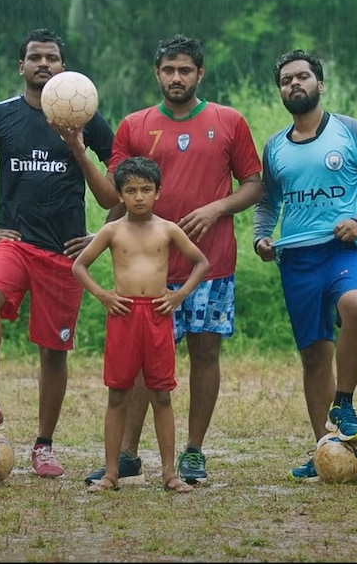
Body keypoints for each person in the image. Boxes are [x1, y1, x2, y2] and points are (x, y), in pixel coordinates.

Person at [76, 34, 263, 486]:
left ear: (200, 73)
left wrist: (218, 208)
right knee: (139, 364)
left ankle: (193, 452)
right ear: (156, 73)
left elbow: (254, 184)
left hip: (209, 263)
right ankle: (126, 455)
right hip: (148, 273)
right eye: (168, 70)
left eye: (185, 70)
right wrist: (78, 151)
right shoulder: (135, 125)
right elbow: (112, 194)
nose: (176, 77)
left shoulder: (229, 121)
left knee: (204, 351)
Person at [0, 28, 117, 478]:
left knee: (53, 353)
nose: (44, 64)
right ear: (21, 66)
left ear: (65, 66)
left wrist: (100, 234)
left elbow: (118, 191)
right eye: (35, 57)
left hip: (64, 250)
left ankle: (44, 445)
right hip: (14, 244)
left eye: (53, 57)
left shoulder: (87, 114)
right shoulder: (0, 116)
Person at [252, 49, 357, 481]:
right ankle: (325, 448)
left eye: (302, 77)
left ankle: (346, 401)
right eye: (286, 80)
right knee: (315, 356)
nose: (294, 84)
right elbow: (268, 201)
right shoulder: (275, 147)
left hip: (342, 250)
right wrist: (262, 237)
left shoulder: (351, 132)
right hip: (296, 259)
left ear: (321, 84)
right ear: (280, 90)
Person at [72, 156, 210, 494]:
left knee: (161, 395)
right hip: (123, 315)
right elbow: (79, 266)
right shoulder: (112, 231)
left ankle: (169, 473)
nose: (138, 197)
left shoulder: (168, 229)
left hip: (158, 316)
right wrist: (103, 295)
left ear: (158, 192)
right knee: (118, 394)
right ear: (120, 195)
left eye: (146, 189)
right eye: (131, 190)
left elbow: (201, 263)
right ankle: (110, 474)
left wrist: (179, 297)